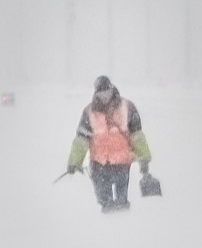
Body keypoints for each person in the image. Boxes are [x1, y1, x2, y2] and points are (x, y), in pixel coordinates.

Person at [62, 76, 159, 212]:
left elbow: (137, 135)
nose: (104, 95)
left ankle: (123, 225)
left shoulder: (127, 107)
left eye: (106, 90)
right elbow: (81, 139)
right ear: (96, 93)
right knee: (105, 203)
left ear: (111, 89)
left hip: (122, 163)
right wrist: (74, 161)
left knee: (121, 203)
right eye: (101, 92)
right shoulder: (89, 112)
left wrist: (144, 158)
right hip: (99, 163)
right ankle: (109, 228)